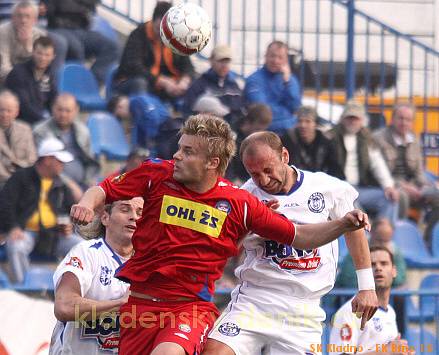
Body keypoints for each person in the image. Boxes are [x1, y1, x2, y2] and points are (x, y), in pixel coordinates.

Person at [70, 114, 371, 355]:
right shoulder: (157, 175)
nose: (176, 155)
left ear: (213, 162)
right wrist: (86, 203)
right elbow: (105, 189)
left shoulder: (241, 203)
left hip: (192, 307)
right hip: (144, 303)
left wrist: (345, 224)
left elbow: (300, 236)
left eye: (187, 151)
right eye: (179, 148)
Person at [205, 131, 378, 355]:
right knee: (215, 352)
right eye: (255, 174)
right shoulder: (244, 197)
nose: (264, 180)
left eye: (268, 170)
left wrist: (366, 287)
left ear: (284, 156)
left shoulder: (327, 188)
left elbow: (353, 230)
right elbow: (225, 251)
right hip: (255, 299)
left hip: (302, 310)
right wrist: (250, 225)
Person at [49, 197, 143, 354]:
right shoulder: (87, 253)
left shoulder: (151, 263)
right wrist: (120, 304)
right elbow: (63, 306)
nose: (134, 217)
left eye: (140, 212)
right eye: (125, 209)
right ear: (105, 217)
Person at [0, 137, 83, 283]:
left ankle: (72, 288)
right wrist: (12, 227)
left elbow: (70, 209)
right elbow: (5, 205)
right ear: (47, 160)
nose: (62, 166)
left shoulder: (61, 183)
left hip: (54, 234)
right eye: (59, 161)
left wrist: (69, 225)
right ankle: (23, 288)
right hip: (25, 232)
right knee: (16, 246)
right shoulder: (21, 177)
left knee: (81, 246)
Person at [329, 246, 414, 355]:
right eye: (372, 265)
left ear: (394, 271)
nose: (378, 268)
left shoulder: (391, 312)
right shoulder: (349, 312)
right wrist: (387, 351)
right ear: (364, 272)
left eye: (384, 263)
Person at [373, 102, 439, 242]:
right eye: (400, 118)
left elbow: (419, 172)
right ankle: (399, 241)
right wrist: (405, 187)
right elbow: (380, 174)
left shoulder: (414, 139)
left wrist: (426, 187)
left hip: (413, 186)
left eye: (408, 119)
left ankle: (428, 240)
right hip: (390, 186)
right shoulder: (378, 138)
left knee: (437, 195)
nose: (404, 123)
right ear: (392, 119)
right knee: (400, 196)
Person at [325, 100, 399, 222]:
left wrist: (389, 186)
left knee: (390, 198)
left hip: (360, 189)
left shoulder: (367, 140)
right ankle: (366, 238)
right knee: (352, 205)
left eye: (356, 118)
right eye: (349, 117)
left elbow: (378, 164)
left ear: (362, 121)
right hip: (338, 189)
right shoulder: (330, 138)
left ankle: (382, 234)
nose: (352, 121)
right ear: (343, 118)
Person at [113, 1, 194, 102]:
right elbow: (133, 67)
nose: (162, 34)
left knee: (194, 86)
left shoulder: (176, 37)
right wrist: (160, 81)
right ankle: (143, 112)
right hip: (134, 81)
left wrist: (184, 81)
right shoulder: (138, 35)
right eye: (158, 29)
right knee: (140, 83)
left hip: (166, 84)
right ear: (154, 20)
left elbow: (188, 66)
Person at [42, 0, 119, 84]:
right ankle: (72, 84)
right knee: (76, 47)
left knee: (111, 46)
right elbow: (50, 8)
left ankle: (91, 84)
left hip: (82, 30)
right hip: (58, 29)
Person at [33, 93, 100, 187]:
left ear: (76, 111)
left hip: (82, 183)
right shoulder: (41, 131)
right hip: (54, 184)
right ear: (52, 108)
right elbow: (45, 165)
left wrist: (90, 181)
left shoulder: (83, 131)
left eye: (68, 111)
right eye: (60, 110)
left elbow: (90, 161)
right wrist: (70, 185)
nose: (63, 114)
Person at [0, 1, 66, 82]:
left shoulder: (40, 35)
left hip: (29, 81)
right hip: (10, 79)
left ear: (35, 20)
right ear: (12, 18)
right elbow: (3, 67)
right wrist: (20, 80)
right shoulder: (3, 32)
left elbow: (40, 66)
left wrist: (27, 44)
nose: (23, 20)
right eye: (19, 16)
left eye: (28, 16)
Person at [244, 40, 301, 134]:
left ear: (286, 60)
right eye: (272, 56)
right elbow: (262, 112)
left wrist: (287, 82)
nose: (275, 60)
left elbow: (295, 107)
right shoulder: (254, 80)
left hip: (289, 131)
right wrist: (286, 113)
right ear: (266, 56)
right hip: (266, 131)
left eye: (280, 57)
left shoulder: (290, 79)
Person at [337, 218, 407, 289]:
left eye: (386, 241)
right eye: (379, 240)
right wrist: (379, 279)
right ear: (371, 232)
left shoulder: (395, 251)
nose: (382, 245)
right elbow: (347, 279)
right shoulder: (357, 248)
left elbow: (400, 279)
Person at [183, 44, 244, 121]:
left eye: (227, 61)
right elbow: (187, 113)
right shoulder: (198, 85)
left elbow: (240, 113)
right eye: (220, 61)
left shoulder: (234, 86)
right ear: (211, 61)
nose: (224, 65)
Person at [5, 36, 57, 125]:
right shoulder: (18, 73)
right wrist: (46, 122)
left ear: (53, 56)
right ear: (33, 52)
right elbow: (24, 107)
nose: (43, 58)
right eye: (39, 53)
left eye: (47, 55)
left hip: (40, 120)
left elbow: (53, 99)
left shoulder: (49, 74)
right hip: (19, 122)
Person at [281, 105, 342, 176]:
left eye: (308, 121)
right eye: (300, 121)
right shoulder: (288, 139)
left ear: (315, 124)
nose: (303, 125)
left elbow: (334, 168)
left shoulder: (325, 142)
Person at [226, 103, 273, 184]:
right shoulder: (231, 137)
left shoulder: (260, 139)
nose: (260, 133)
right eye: (257, 129)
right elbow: (228, 166)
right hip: (235, 181)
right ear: (248, 122)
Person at [0, 90, 37, 188]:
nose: (4, 114)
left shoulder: (25, 129)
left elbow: (32, 159)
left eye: (9, 110)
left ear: (16, 112)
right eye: (1, 110)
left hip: (23, 179)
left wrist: (20, 175)